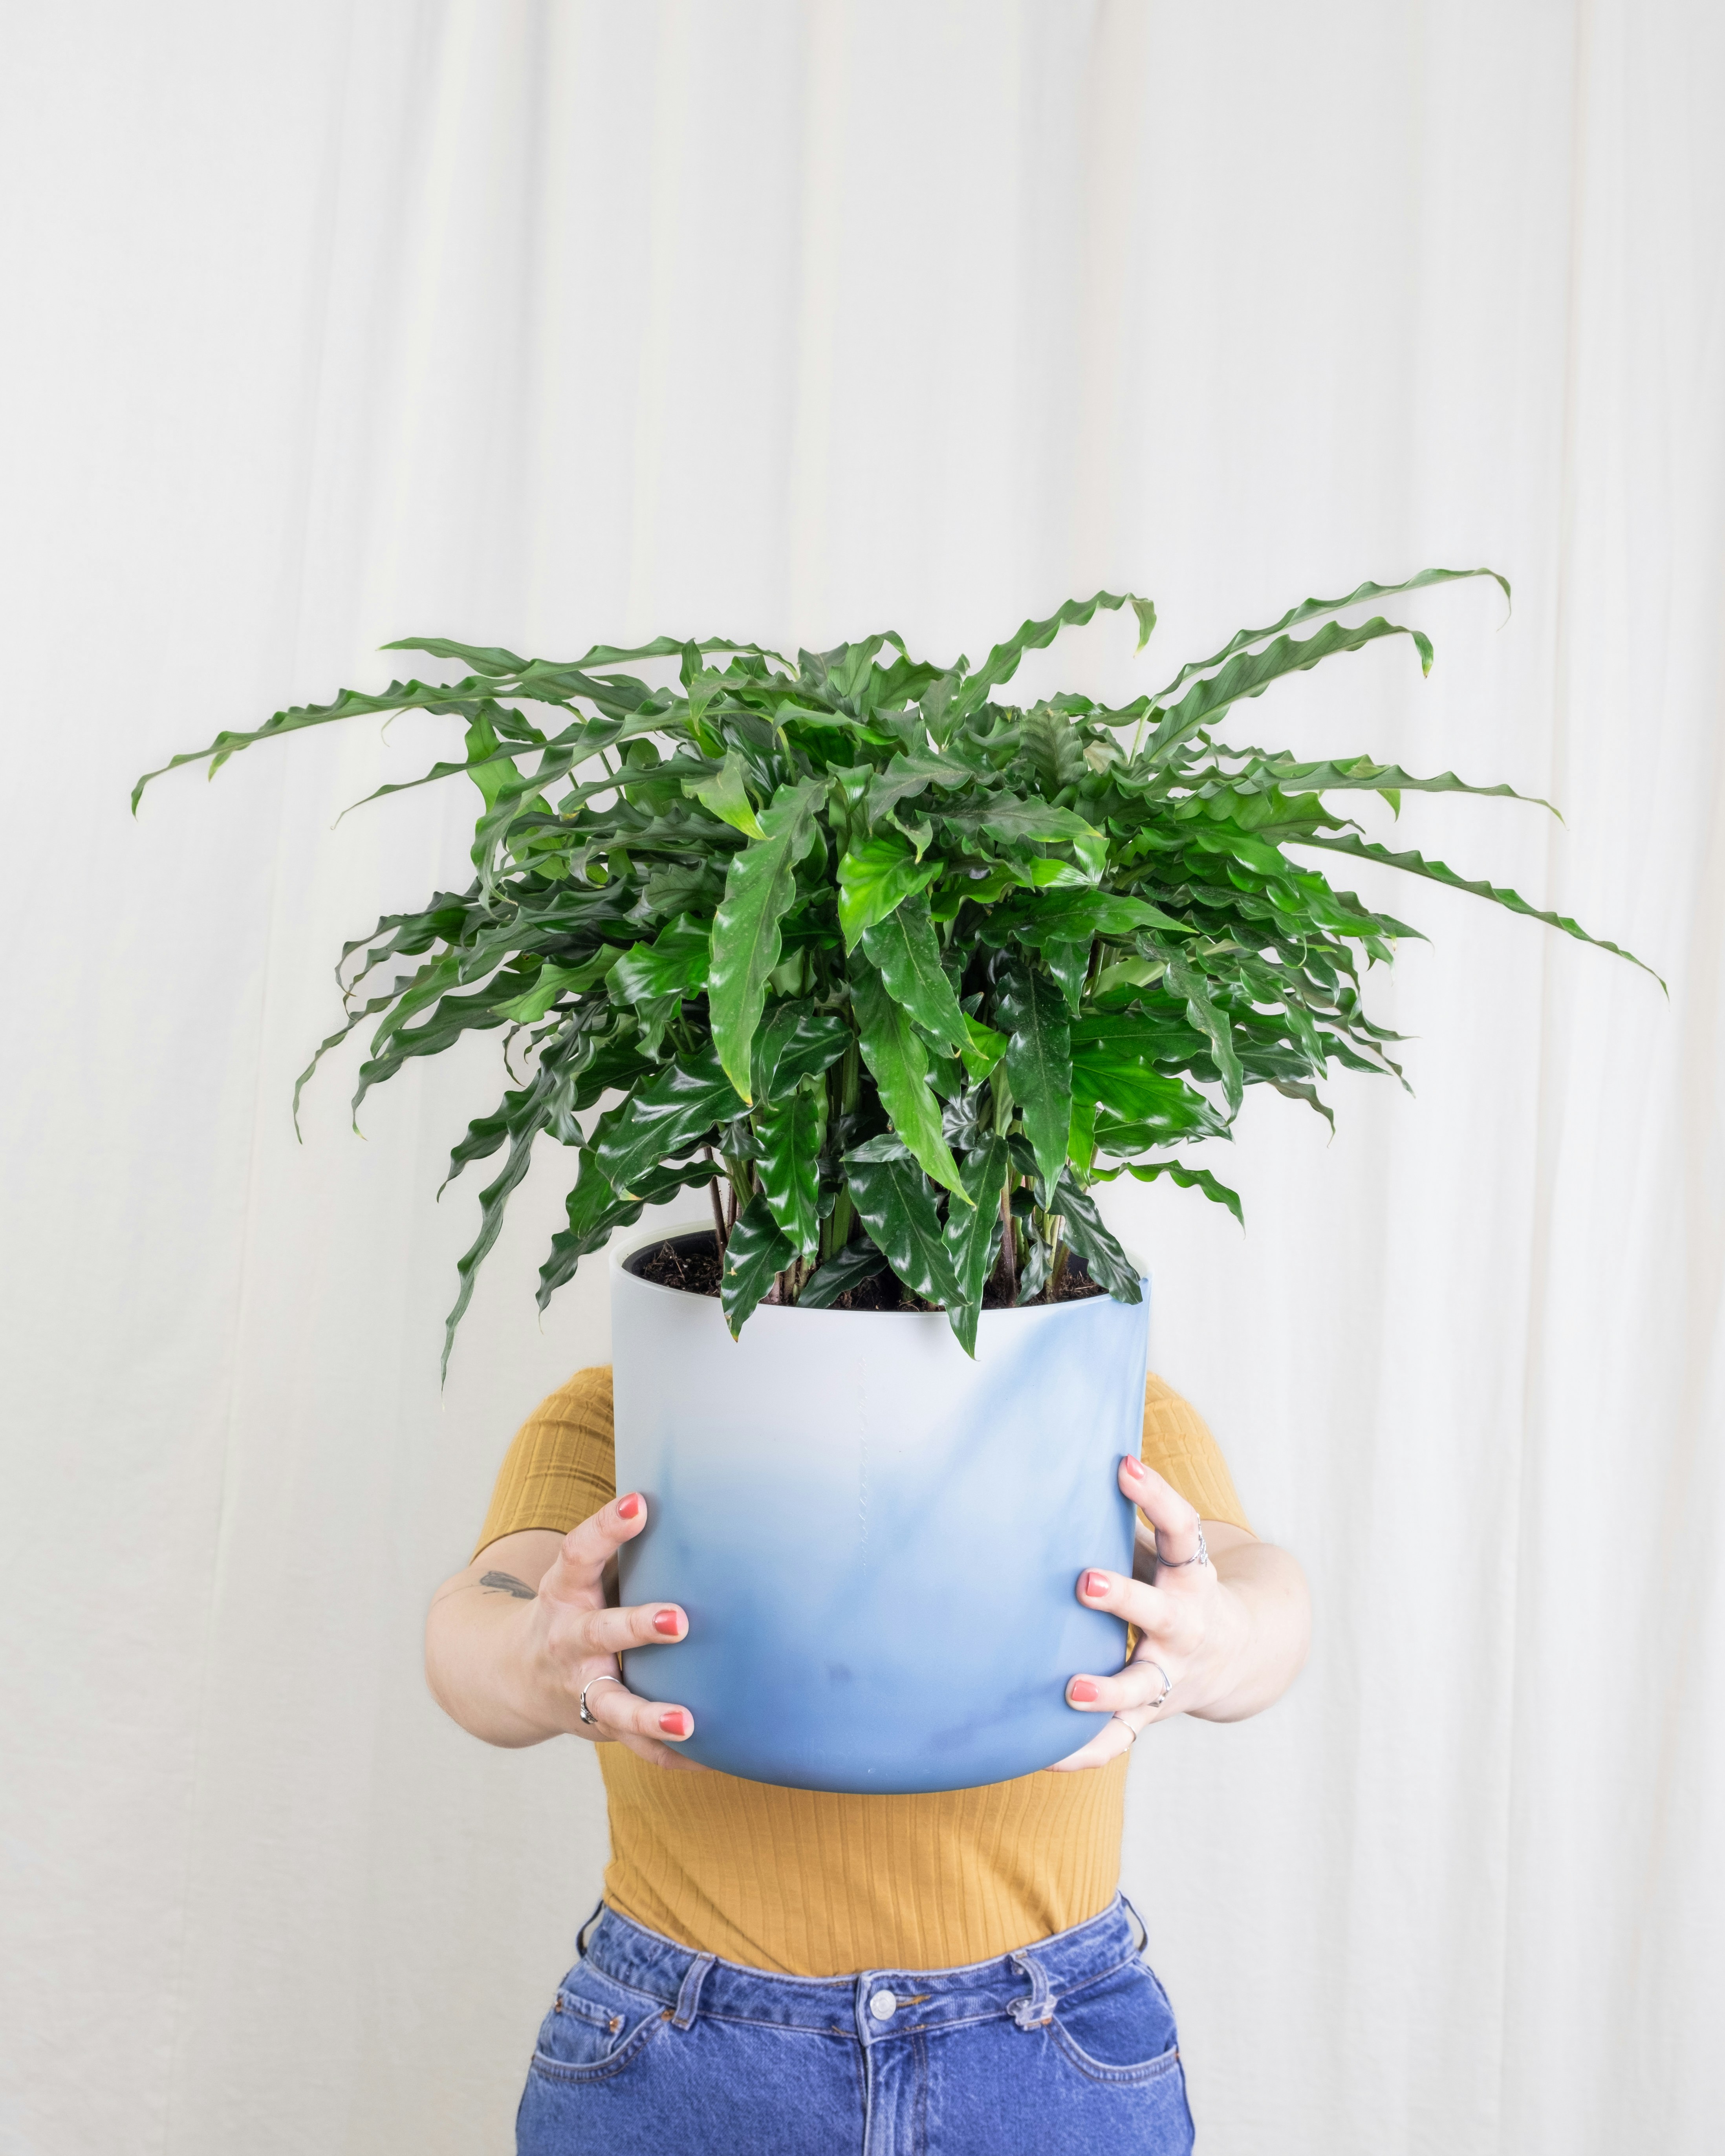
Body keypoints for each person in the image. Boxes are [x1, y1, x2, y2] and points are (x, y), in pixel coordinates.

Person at [425, 1365, 1310, 2154]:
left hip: (1048, 2057)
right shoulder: (625, 1408)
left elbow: (1260, 1586)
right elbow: (476, 1616)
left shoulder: (1098, 1394)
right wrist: (538, 1655)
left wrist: (1220, 1637)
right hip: (683, 2057)